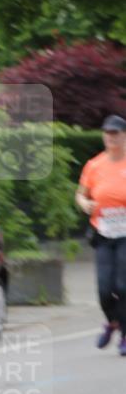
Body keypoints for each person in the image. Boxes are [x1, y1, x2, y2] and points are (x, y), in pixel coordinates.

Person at [76, 114, 126, 356]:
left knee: (123, 286)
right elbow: (80, 194)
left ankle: (125, 334)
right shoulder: (94, 165)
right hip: (103, 233)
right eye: (107, 133)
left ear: (124, 136)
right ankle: (113, 322)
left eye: (115, 133)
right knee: (104, 290)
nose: (110, 137)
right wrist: (84, 203)